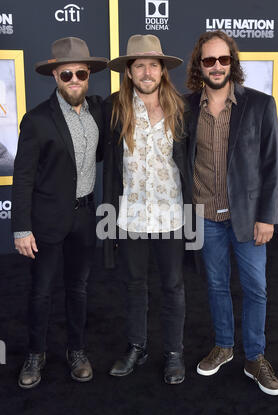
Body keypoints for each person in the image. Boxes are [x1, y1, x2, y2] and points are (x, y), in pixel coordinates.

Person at [186, 30, 278, 395]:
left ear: (233, 63)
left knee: (256, 289)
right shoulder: (185, 107)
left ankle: (255, 357)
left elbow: (272, 165)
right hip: (204, 216)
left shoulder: (260, 105)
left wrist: (267, 216)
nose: (216, 66)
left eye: (223, 59)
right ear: (200, 65)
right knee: (215, 285)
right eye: (208, 60)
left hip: (247, 217)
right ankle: (224, 346)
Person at [11, 37, 108, 389]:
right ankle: (35, 354)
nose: (74, 80)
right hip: (47, 221)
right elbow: (22, 177)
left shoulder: (99, 109)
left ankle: (77, 351)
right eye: (66, 74)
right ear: (55, 75)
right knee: (41, 291)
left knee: (78, 288)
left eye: (80, 73)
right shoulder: (36, 120)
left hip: (85, 217)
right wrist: (21, 227)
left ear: (88, 75)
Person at [102, 34, 190, 384]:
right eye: (140, 65)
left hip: (172, 215)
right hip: (130, 216)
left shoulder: (181, 108)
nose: (147, 71)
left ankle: (174, 353)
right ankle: (137, 347)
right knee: (134, 285)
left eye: (153, 64)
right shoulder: (113, 108)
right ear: (129, 71)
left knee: (173, 286)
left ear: (163, 70)